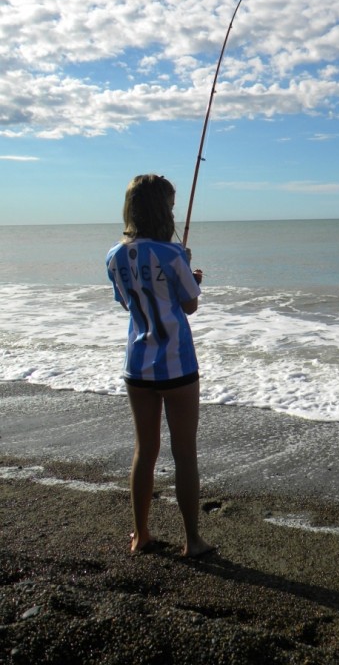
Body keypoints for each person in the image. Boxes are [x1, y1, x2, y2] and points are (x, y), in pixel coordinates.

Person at [106, 174, 214, 557]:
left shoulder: (114, 257)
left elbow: (129, 302)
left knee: (144, 450)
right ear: (160, 210)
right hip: (177, 364)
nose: (172, 211)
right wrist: (191, 275)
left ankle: (141, 534)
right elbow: (189, 305)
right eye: (169, 205)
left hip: (137, 366)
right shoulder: (172, 254)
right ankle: (193, 541)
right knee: (184, 453)